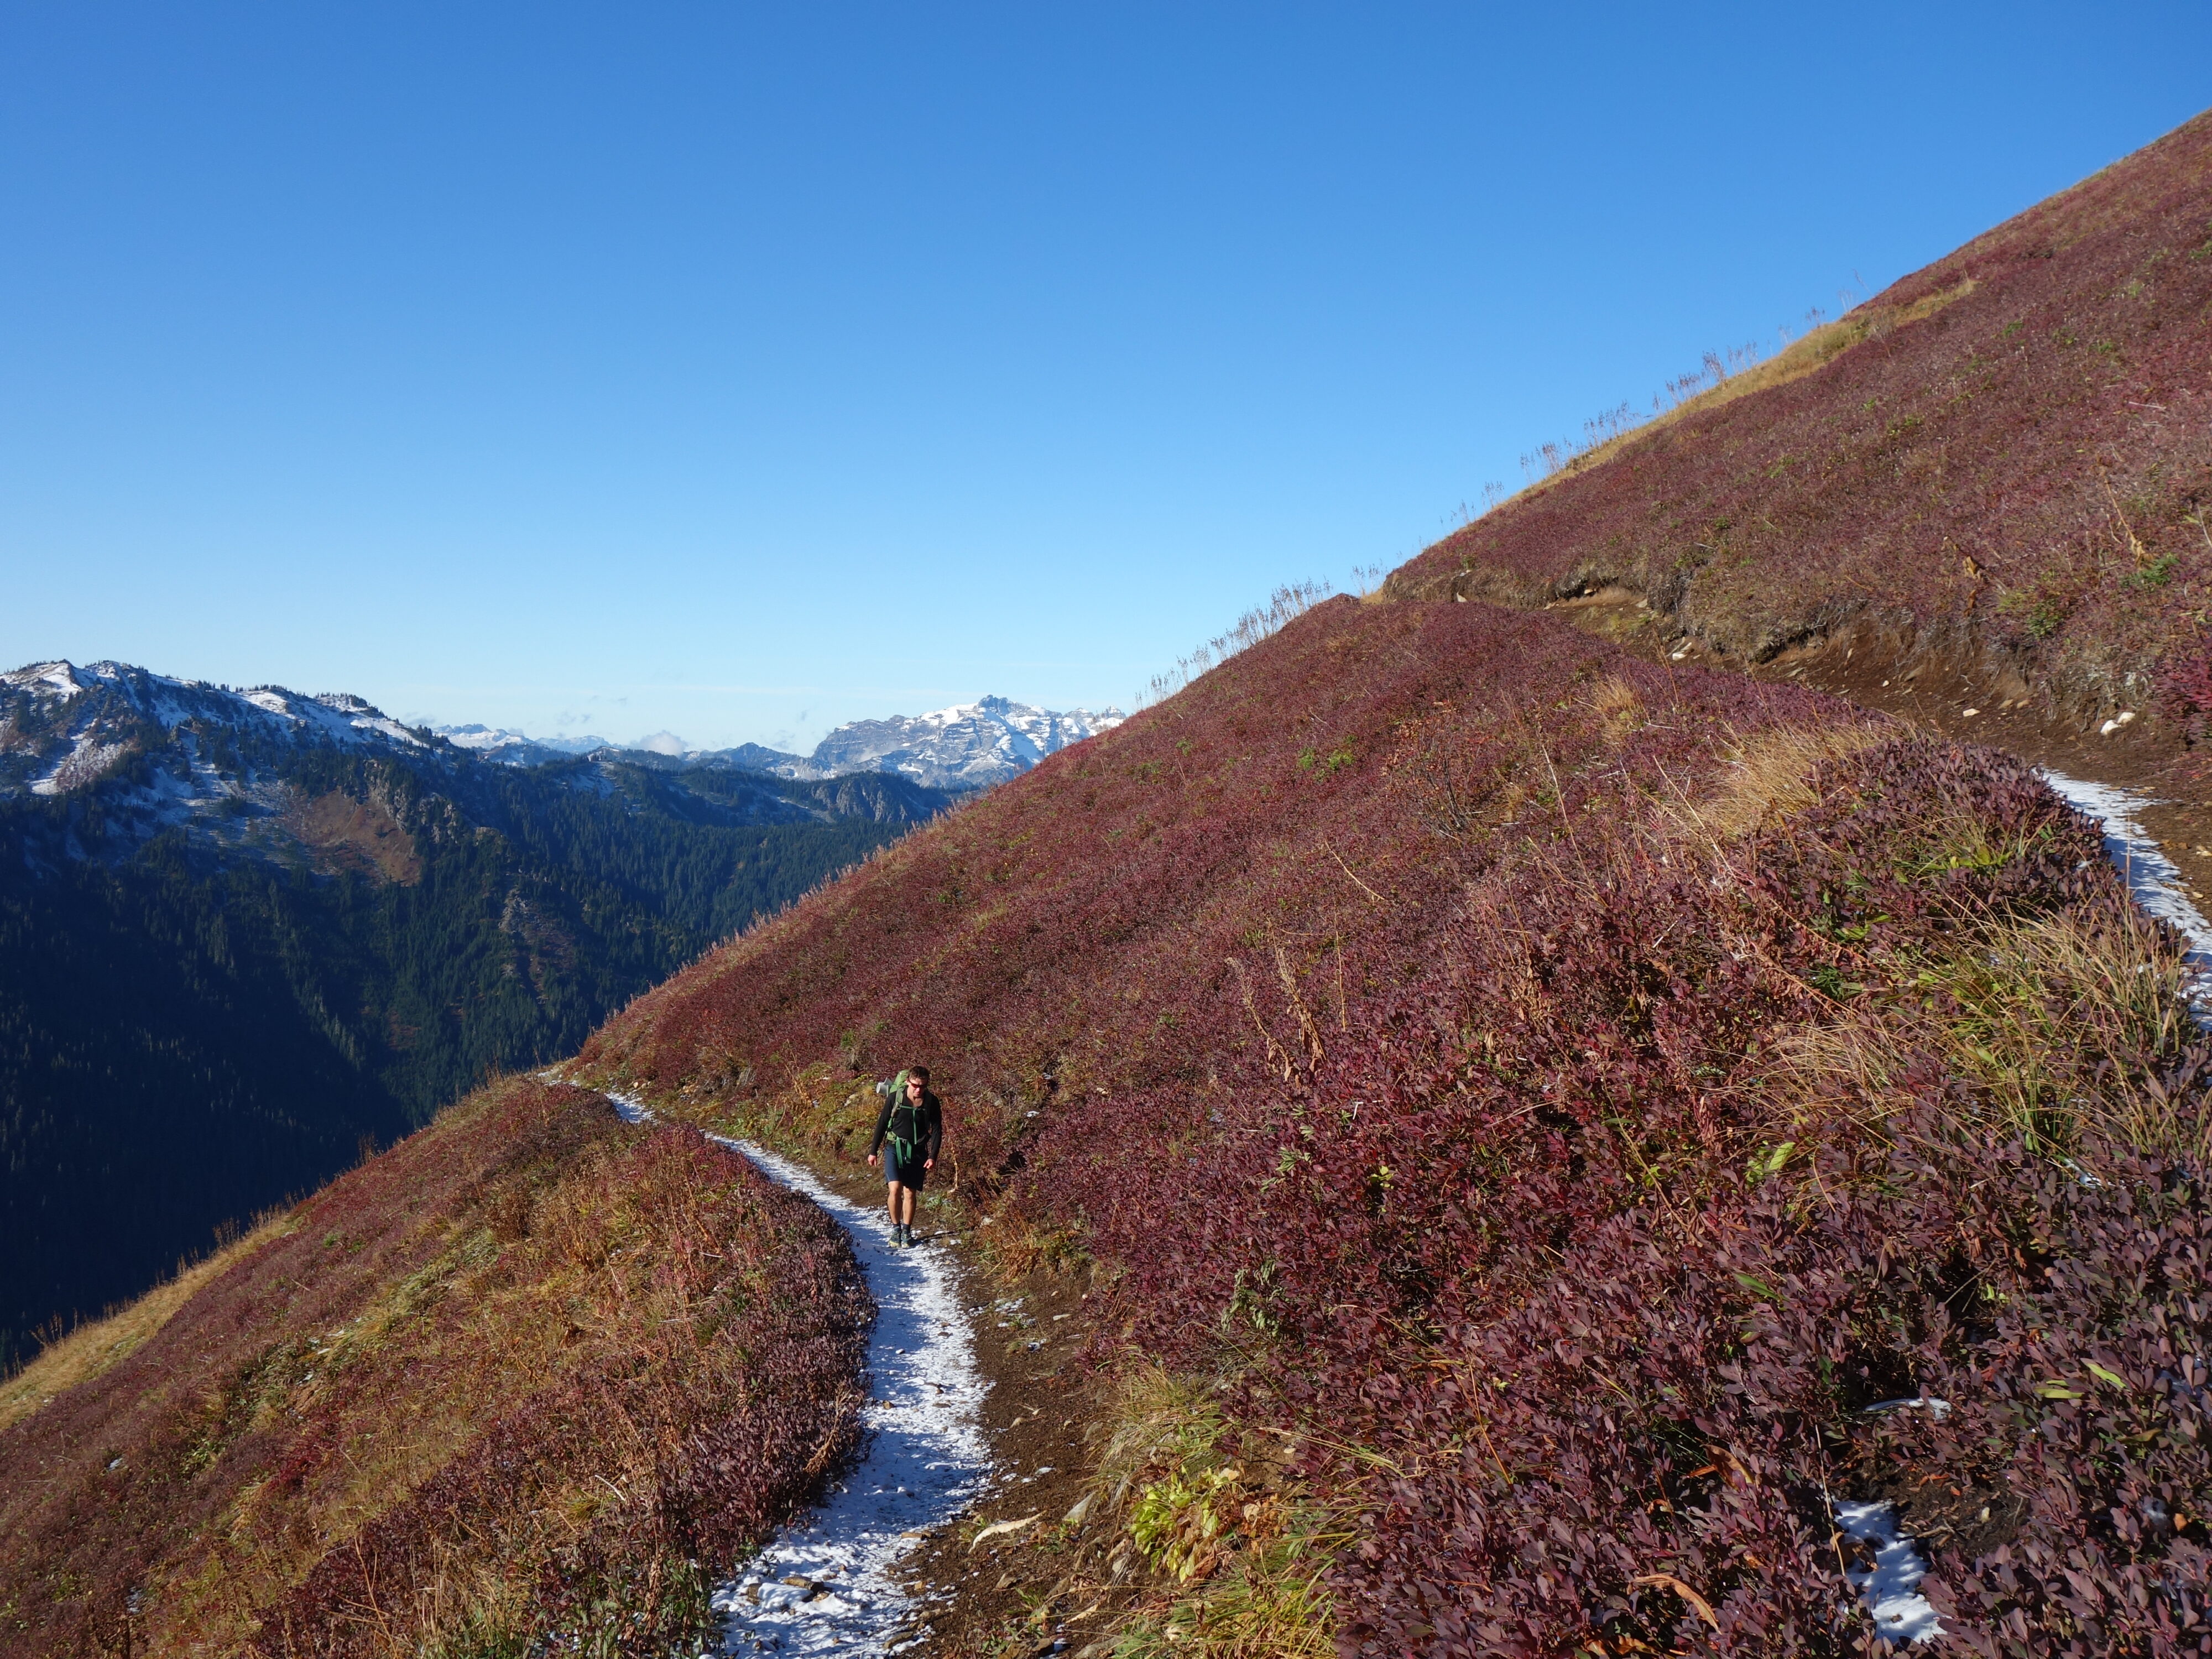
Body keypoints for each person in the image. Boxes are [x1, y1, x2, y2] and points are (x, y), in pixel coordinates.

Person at [868, 1066, 942, 1248]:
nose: (919, 1090)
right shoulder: (895, 1098)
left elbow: (937, 1130)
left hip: (918, 1151)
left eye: (923, 1086)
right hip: (894, 1147)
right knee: (895, 1189)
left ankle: (907, 1231)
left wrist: (933, 1156)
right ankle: (896, 1229)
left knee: (910, 1192)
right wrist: (873, 1151)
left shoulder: (932, 1102)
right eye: (916, 1085)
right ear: (908, 1082)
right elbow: (882, 1123)